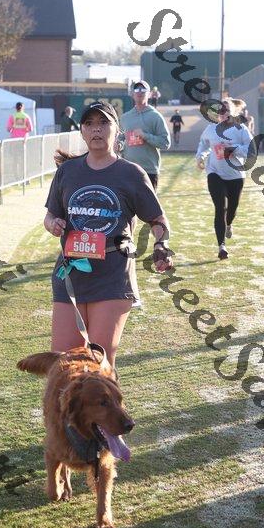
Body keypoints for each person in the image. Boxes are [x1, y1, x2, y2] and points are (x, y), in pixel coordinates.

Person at [44, 101, 173, 368]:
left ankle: (106, 397)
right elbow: (50, 216)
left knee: (99, 362)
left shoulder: (131, 174)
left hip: (112, 275)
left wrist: (161, 244)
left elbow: (157, 219)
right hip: (70, 273)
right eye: (89, 123)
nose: (96, 129)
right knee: (64, 364)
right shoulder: (67, 171)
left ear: (117, 130)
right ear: (82, 131)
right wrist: (53, 223)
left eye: (104, 123)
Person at [196, 97, 253, 260]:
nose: (222, 112)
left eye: (226, 110)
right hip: (215, 173)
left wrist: (233, 149)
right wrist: (200, 156)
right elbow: (203, 144)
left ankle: (229, 224)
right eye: (220, 110)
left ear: (232, 112)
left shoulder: (241, 129)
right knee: (220, 208)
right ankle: (221, 247)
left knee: (232, 210)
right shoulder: (211, 129)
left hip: (236, 175)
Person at [120, 80, 171, 191]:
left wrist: (145, 135)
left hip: (149, 171)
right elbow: (120, 140)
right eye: (136, 89)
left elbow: (165, 143)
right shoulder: (125, 118)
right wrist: (118, 145)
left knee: (149, 203)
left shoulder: (156, 116)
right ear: (132, 94)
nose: (140, 92)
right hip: (128, 170)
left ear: (149, 94)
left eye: (143, 89)